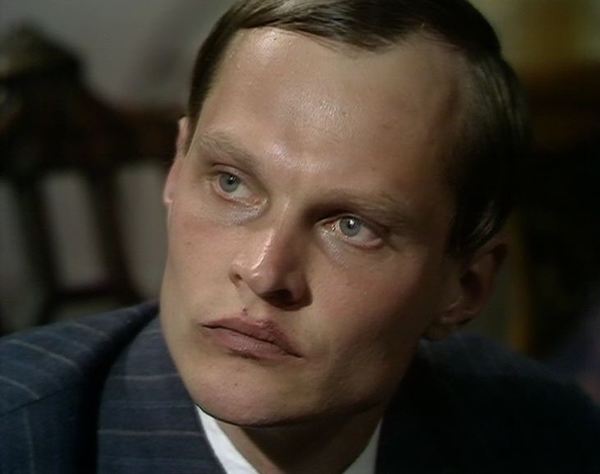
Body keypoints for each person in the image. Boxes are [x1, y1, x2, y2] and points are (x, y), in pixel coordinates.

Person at [1, 0, 599, 473]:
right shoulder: (20, 438)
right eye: (232, 183)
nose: (265, 272)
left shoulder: (547, 436)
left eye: (353, 226)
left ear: (463, 288)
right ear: (177, 170)